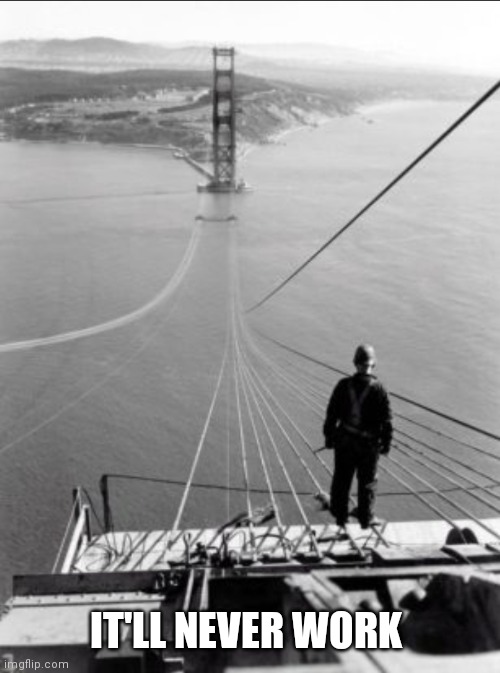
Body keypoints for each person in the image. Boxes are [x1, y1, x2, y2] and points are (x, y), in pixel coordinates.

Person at [323, 344, 392, 529]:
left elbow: (331, 414)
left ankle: (340, 518)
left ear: (355, 363)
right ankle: (365, 519)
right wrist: (386, 445)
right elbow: (387, 422)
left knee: (341, 480)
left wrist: (329, 438)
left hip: (344, 442)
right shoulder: (379, 390)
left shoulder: (343, 385)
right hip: (368, 447)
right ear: (373, 365)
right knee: (367, 483)